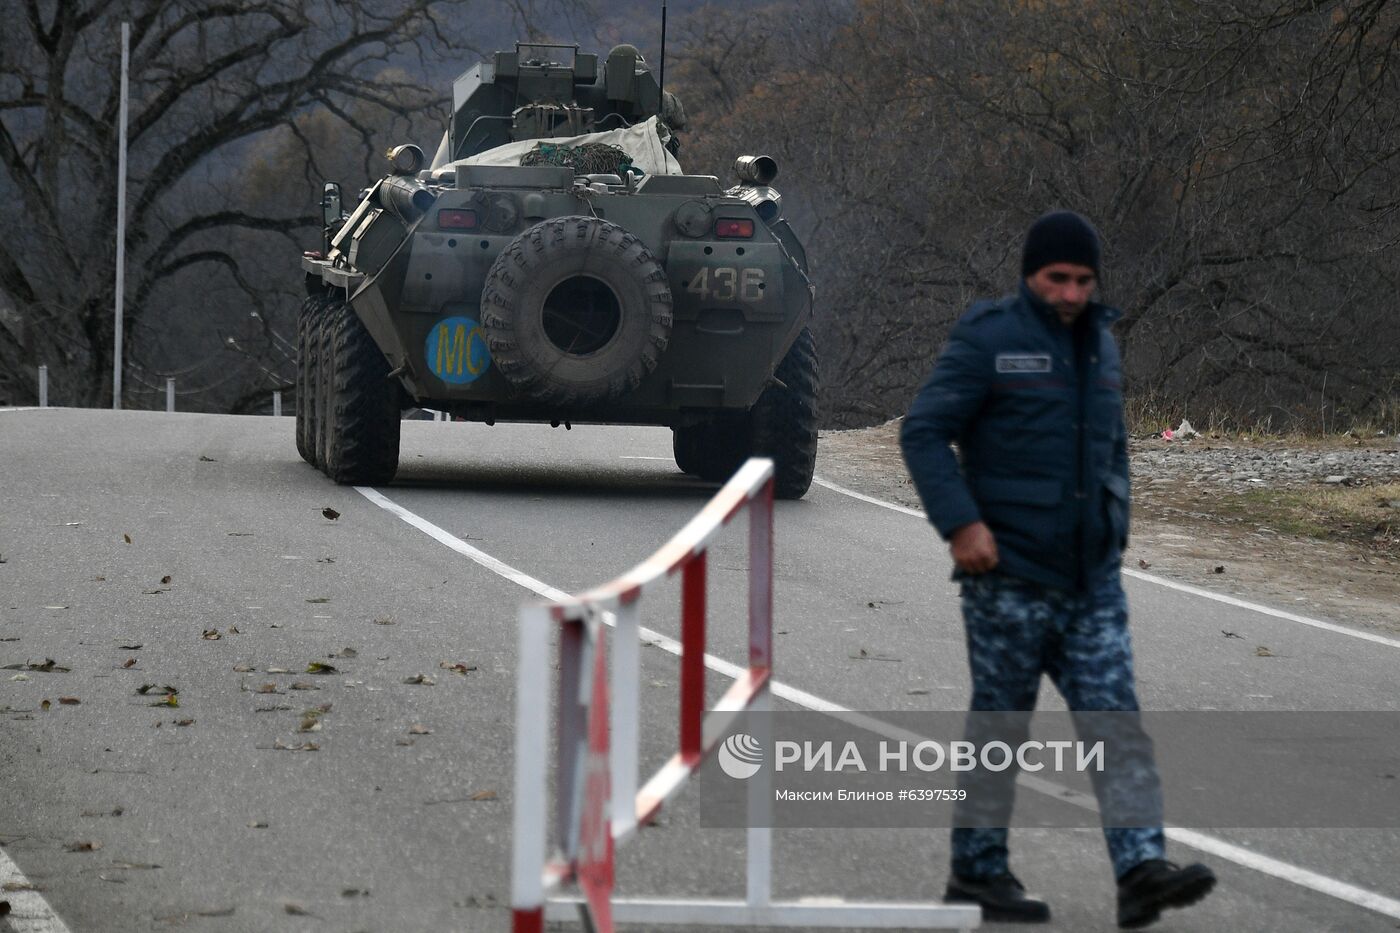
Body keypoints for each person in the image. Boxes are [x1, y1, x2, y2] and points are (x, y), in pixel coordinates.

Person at [899, 211, 1217, 928]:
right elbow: (922, 431)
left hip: (1091, 583)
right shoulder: (990, 339)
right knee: (1000, 729)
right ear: (1030, 276)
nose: (1071, 293)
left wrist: (1116, 525)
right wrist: (961, 524)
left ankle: (1141, 870)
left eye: (1082, 280)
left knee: (1117, 723)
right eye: (1057, 279)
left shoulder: (1102, 345)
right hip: (1005, 577)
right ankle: (977, 875)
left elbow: (1112, 449)